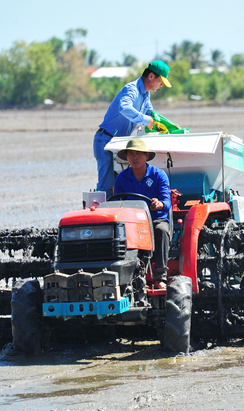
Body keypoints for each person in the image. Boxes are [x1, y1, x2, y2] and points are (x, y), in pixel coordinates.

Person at [93, 60, 172, 198]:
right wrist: (147, 120)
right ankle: (100, 216)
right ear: (151, 76)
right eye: (161, 81)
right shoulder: (132, 89)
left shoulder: (146, 94)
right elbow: (124, 108)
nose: (161, 85)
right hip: (105, 140)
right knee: (106, 187)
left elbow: (151, 114)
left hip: (118, 143)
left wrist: (168, 125)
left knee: (121, 182)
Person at [114, 138, 171, 290]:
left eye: (138, 154)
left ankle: (160, 276)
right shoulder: (121, 178)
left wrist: (159, 204)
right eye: (131, 154)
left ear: (146, 156)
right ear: (126, 157)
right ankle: (129, 276)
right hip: (132, 223)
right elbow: (118, 204)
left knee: (162, 230)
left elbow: (167, 203)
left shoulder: (159, 176)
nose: (135, 157)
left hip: (156, 219)